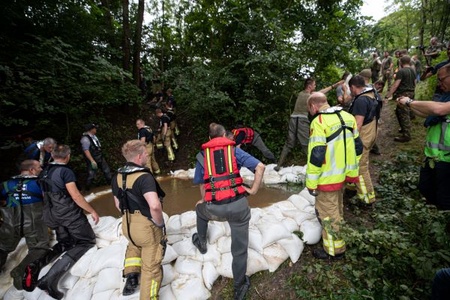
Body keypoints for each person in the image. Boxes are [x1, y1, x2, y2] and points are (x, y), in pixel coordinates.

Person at [192, 123, 265, 300]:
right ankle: (239, 287)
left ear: (209, 138)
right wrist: (254, 190)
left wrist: (204, 200)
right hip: (238, 207)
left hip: (213, 209)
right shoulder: (234, 151)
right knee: (239, 250)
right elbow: (260, 167)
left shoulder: (202, 155)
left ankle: (201, 243)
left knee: (199, 210)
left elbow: (202, 183)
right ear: (225, 135)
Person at [24, 144, 99, 299]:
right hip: (67, 214)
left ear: (53, 155)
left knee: (66, 242)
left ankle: (36, 264)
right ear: (68, 156)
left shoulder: (44, 171)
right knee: (86, 241)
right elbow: (76, 196)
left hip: (51, 214)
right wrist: (91, 210)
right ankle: (49, 280)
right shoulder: (65, 171)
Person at [306, 92, 362, 260]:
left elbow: (316, 155)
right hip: (343, 175)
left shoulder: (320, 122)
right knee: (336, 209)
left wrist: (311, 182)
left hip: (327, 179)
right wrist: (350, 168)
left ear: (313, 107)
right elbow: (358, 147)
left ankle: (334, 250)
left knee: (328, 215)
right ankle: (339, 239)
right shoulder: (348, 117)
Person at [111, 140, 166, 299]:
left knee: (134, 245)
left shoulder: (118, 175)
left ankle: (131, 275)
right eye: (147, 154)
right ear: (140, 156)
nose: (148, 157)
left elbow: (117, 203)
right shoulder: (144, 177)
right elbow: (155, 206)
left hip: (127, 224)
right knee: (151, 269)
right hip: (146, 226)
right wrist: (159, 223)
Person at [397, 63, 450, 210]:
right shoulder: (445, 96)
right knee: (426, 188)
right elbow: (427, 113)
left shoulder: (445, 102)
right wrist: (409, 106)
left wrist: (410, 102)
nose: (439, 83)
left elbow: (439, 110)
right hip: (434, 156)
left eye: (442, 79)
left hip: (447, 158)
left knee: (445, 199)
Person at [274, 77, 343, 171]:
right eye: (314, 84)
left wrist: (333, 86)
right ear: (310, 86)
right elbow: (320, 95)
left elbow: (319, 93)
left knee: (289, 143)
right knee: (306, 144)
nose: (315, 86)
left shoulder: (301, 93)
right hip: (302, 120)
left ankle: (278, 165)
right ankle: (315, 167)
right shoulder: (309, 96)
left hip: (293, 119)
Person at [0, 160, 49, 290]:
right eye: (39, 167)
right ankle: (20, 271)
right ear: (32, 170)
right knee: (39, 248)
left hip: (10, 223)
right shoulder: (40, 183)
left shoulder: (6, 184)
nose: (41, 169)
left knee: (2, 247)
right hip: (33, 224)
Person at [348, 75, 380, 205]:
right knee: (354, 163)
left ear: (352, 87)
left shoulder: (361, 100)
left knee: (361, 167)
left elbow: (358, 123)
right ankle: (351, 188)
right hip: (371, 133)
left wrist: (349, 139)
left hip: (363, 137)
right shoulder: (372, 94)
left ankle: (367, 198)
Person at [385, 55, 416, 142]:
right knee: (399, 112)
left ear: (401, 62)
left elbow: (396, 84)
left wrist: (388, 95)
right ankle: (403, 128)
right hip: (411, 93)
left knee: (403, 114)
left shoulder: (401, 71)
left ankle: (407, 135)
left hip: (403, 94)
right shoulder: (413, 71)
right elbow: (415, 82)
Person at [80, 123, 112, 190]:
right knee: (91, 175)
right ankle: (87, 190)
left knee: (107, 172)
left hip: (100, 157)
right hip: (92, 159)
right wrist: (92, 161)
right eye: (94, 128)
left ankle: (111, 186)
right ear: (91, 130)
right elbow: (86, 151)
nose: (96, 129)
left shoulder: (94, 136)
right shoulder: (85, 139)